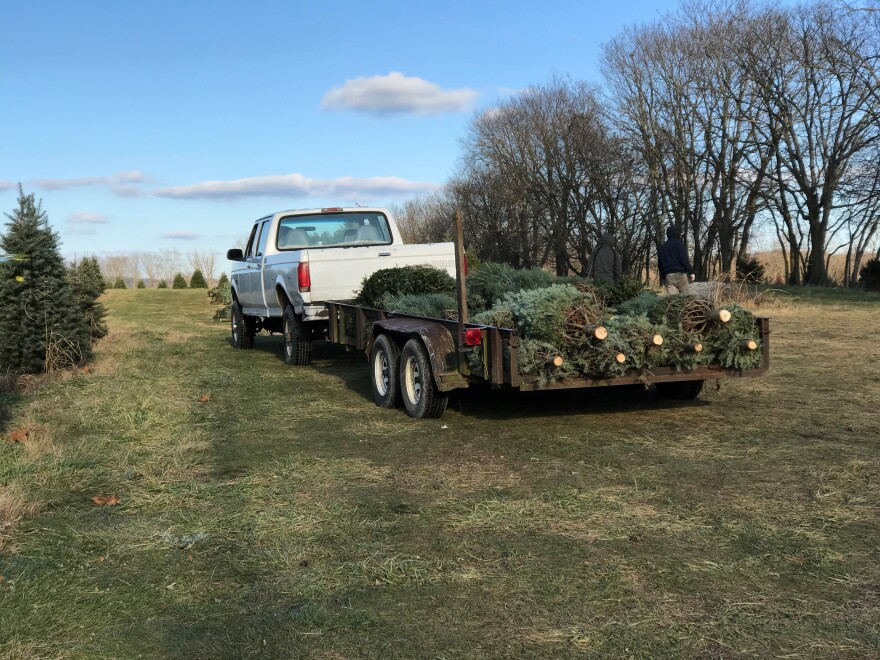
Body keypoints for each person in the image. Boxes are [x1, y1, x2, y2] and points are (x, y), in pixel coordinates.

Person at [658, 226, 695, 294]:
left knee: (673, 301)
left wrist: (664, 276)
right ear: (676, 233)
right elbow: (684, 260)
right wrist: (691, 272)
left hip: (668, 276)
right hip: (681, 275)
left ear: (667, 235)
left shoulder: (662, 248)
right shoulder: (680, 245)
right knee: (686, 299)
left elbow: (660, 264)